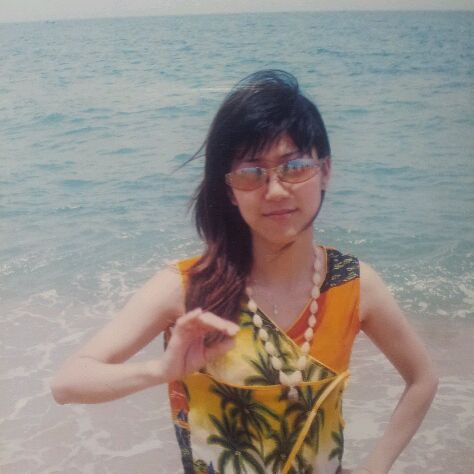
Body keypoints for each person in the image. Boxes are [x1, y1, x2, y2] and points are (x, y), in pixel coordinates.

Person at [50, 70, 438, 474]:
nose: (276, 190)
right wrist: (160, 371)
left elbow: (422, 378)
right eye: (252, 173)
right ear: (230, 191)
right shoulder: (189, 286)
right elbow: (68, 382)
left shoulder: (353, 284)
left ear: (325, 171)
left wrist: (376, 467)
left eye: (294, 166)